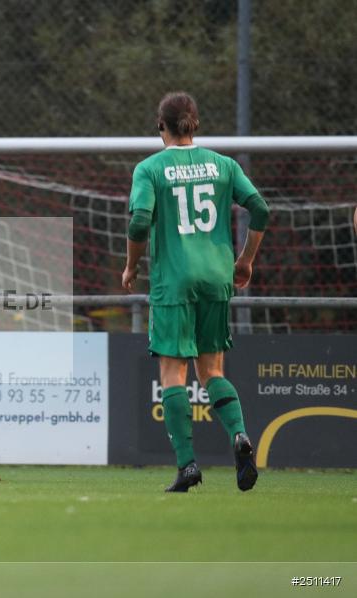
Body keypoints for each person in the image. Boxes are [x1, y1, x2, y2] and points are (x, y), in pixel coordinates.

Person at [122, 91, 270, 493]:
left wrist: (132, 265)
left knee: (173, 372)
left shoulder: (150, 169)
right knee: (213, 371)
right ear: (196, 125)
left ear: (160, 126)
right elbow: (261, 209)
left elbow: (138, 223)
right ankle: (239, 436)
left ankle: (188, 465)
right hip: (218, 277)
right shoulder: (223, 165)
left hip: (175, 280)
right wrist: (245, 261)